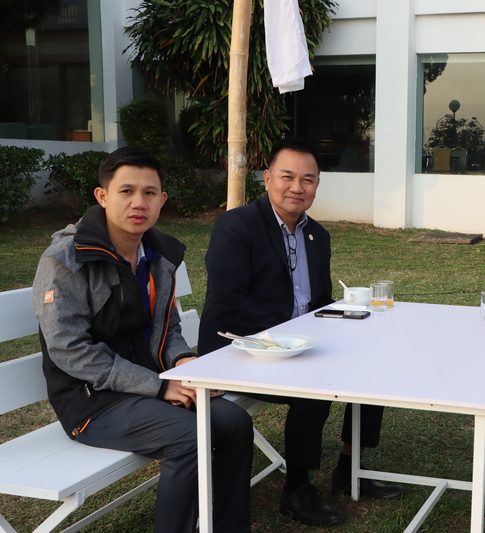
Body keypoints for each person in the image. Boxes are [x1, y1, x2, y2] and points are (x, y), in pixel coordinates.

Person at [32, 147, 253, 533]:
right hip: (92, 402)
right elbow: (70, 350)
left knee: (234, 422)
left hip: (149, 388)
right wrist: (159, 387)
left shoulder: (157, 255)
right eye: (126, 191)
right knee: (189, 437)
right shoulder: (65, 260)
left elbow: (167, 327)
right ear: (102, 196)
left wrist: (182, 361)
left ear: (162, 199)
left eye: (150, 192)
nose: (139, 202)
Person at [198, 137, 405, 527]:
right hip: (239, 350)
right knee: (315, 386)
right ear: (267, 178)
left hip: (298, 345)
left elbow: (319, 301)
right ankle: (296, 487)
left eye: (307, 179)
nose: (297, 187)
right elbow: (230, 301)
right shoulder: (236, 226)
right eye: (287, 176)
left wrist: (346, 321)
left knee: (371, 364)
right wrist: (292, 340)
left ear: (317, 184)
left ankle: (349, 469)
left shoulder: (317, 235)